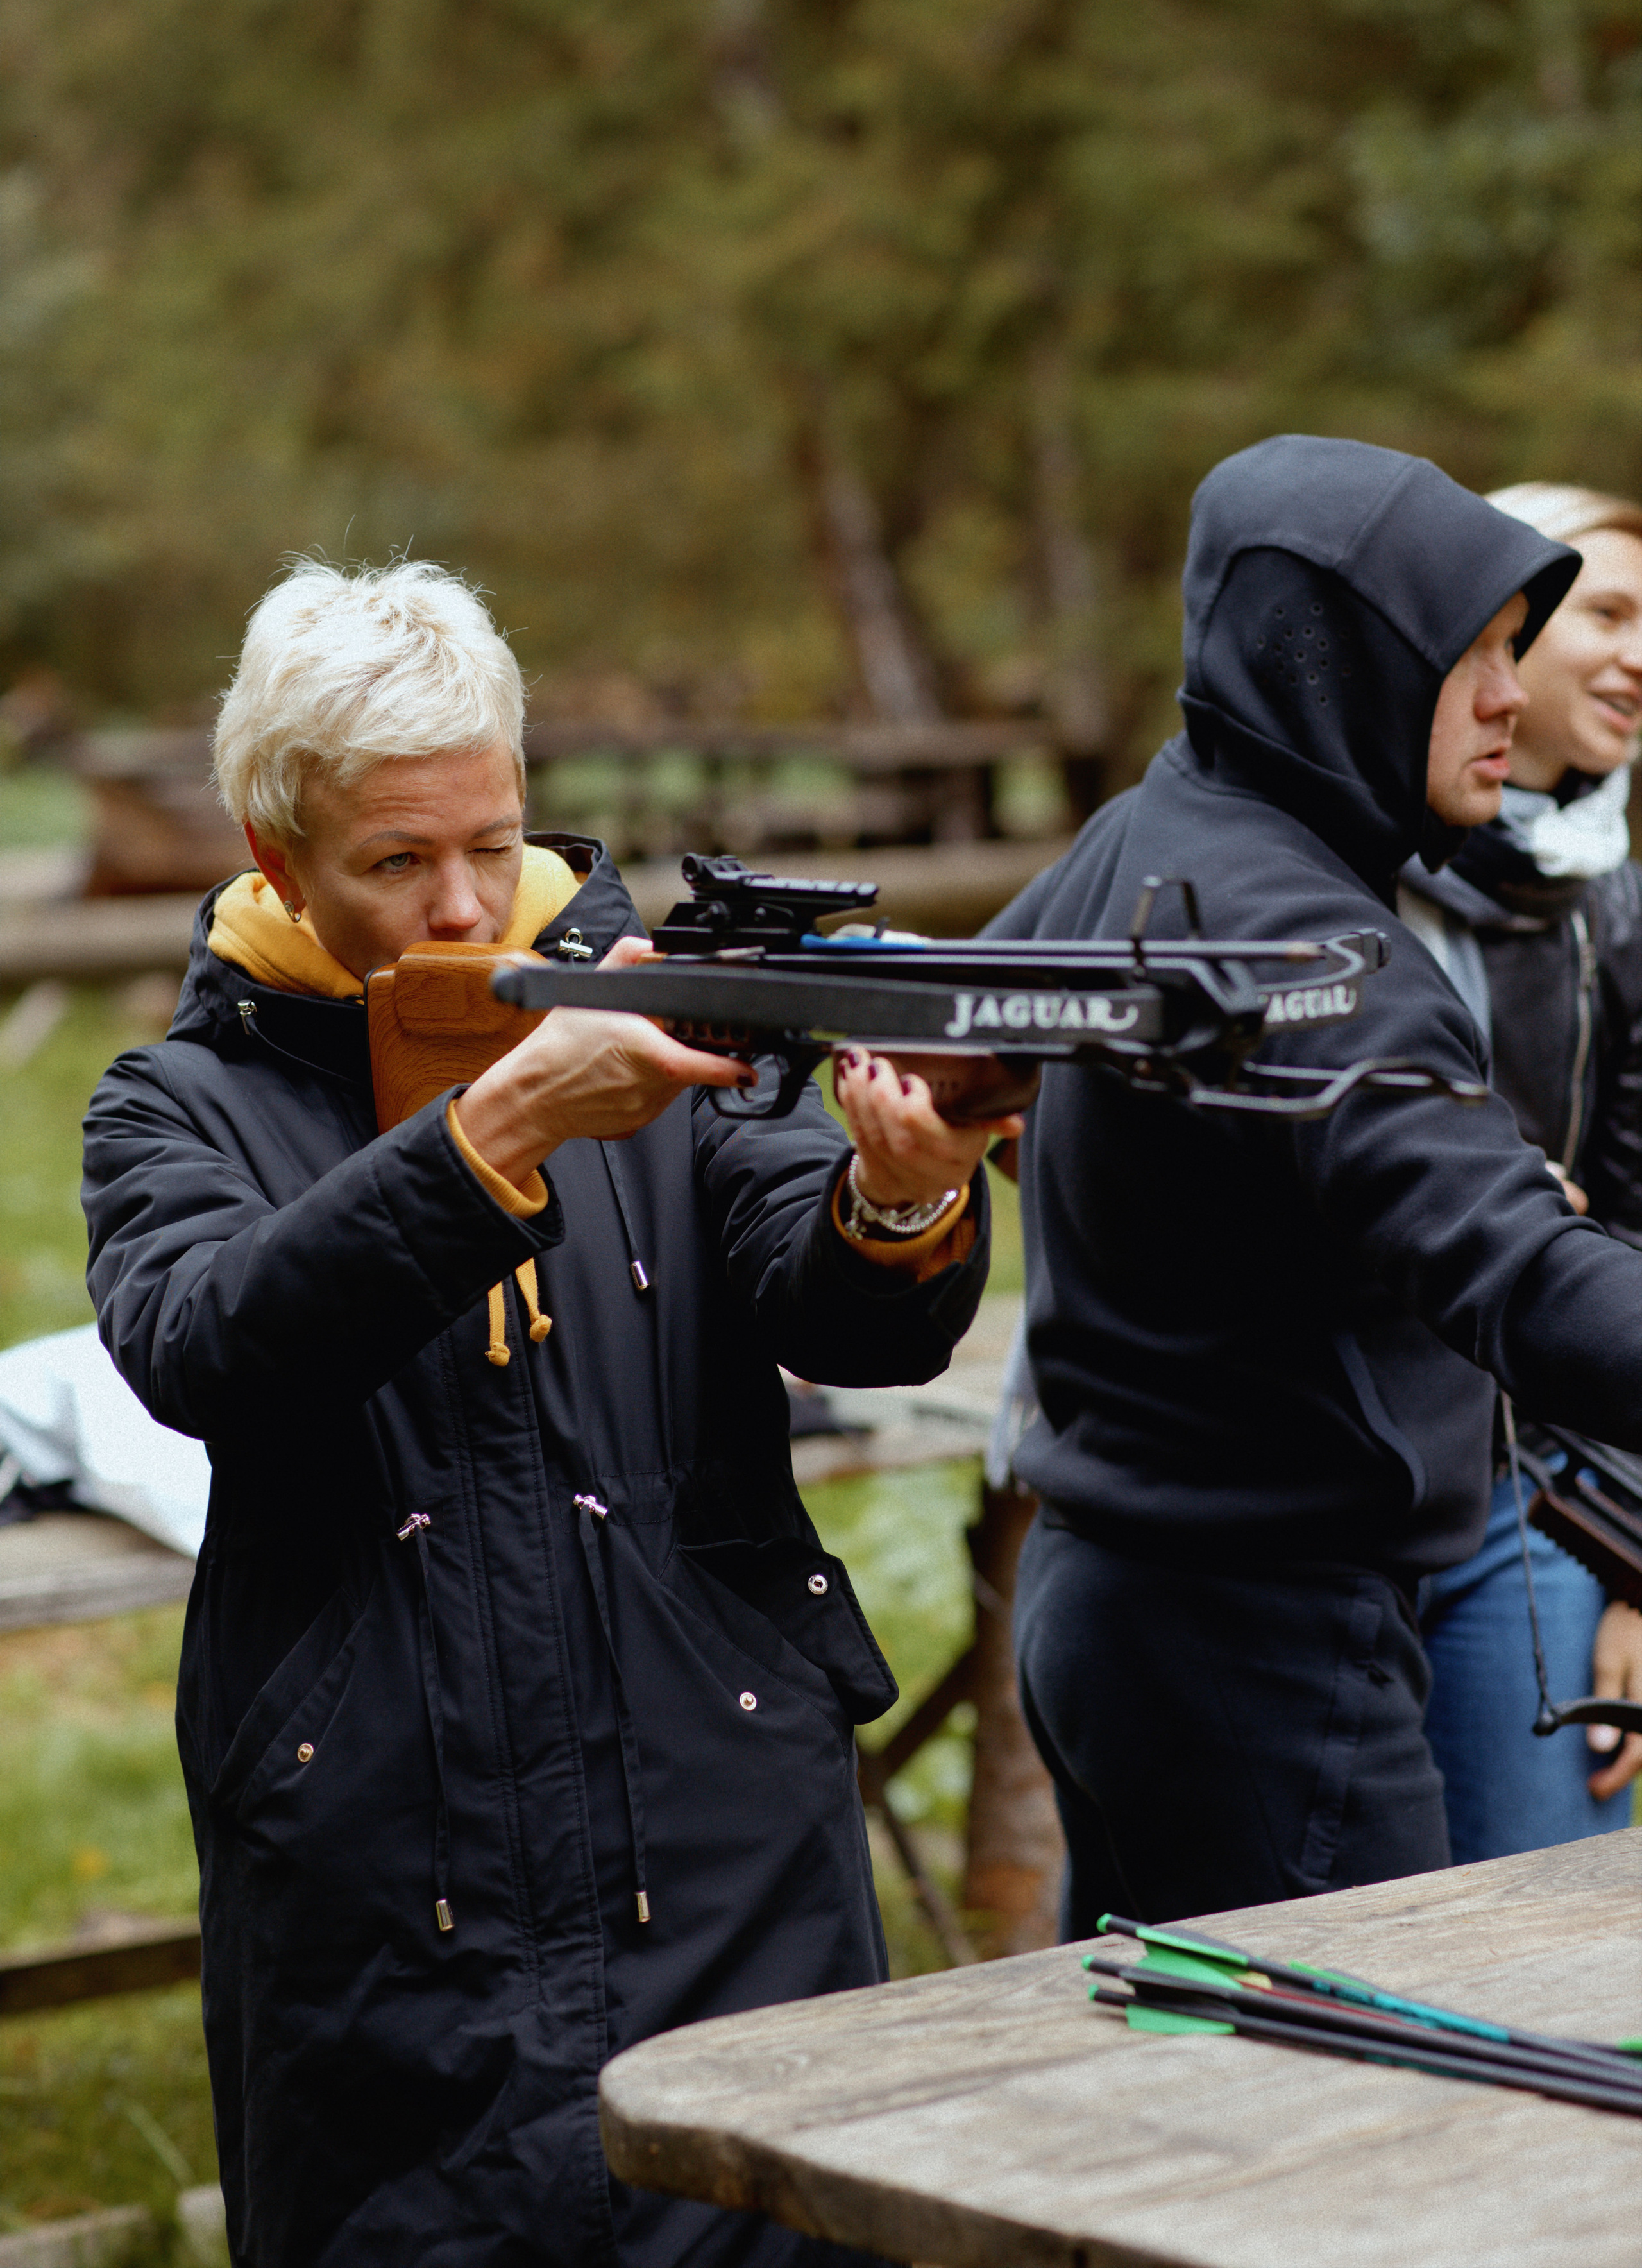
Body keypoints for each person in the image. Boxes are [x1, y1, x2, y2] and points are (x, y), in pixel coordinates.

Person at [80, 561, 1014, 2268]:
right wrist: (487, 1142)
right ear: (274, 855)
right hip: (376, 1881)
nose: (465, 910)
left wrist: (904, 1194)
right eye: (396, 862)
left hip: (722, 1829)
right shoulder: (173, 1105)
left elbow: (839, 1303)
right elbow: (202, 1346)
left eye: (490, 845)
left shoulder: (659, 1011)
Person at [987, 434, 1642, 1932]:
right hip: (1256, 1639)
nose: (1505, 698)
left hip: (1110, 1603)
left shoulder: (1149, 833)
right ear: (1345, 663)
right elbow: (1521, 1272)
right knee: (1350, 2129)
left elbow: (977, 1054)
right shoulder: (1309, 951)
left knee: (1187, 2104)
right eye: (1471, 656)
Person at [1400, 484, 1642, 1857]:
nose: (1633, 655)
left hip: (1527, 1487)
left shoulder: (1608, 900)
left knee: (1535, 1912)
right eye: (1600, 614)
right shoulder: (1329, 869)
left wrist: (1627, 1563)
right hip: (1320, 1483)